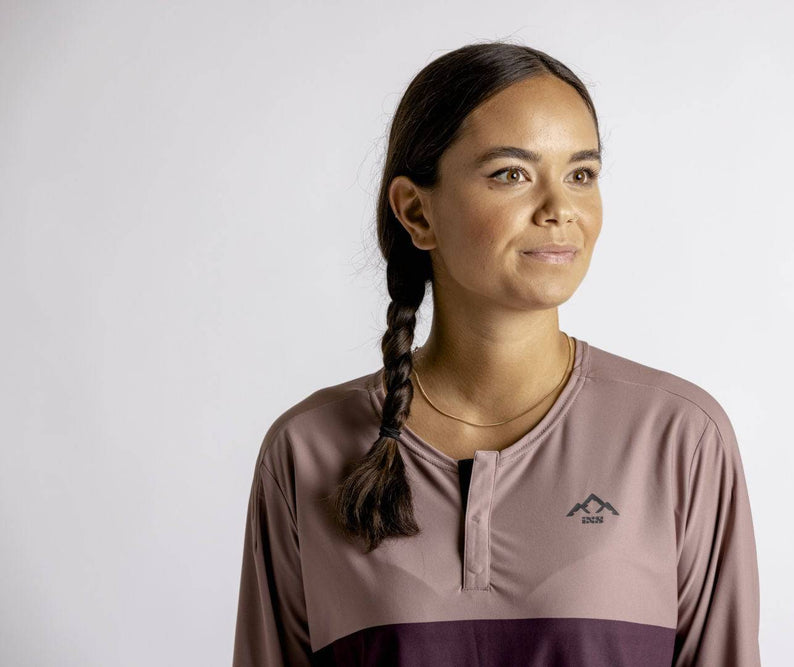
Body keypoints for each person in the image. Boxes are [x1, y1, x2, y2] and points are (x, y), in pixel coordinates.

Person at [232, 41, 761, 667]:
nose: (560, 209)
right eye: (512, 174)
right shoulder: (308, 450)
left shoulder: (678, 438)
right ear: (416, 212)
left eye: (581, 174)